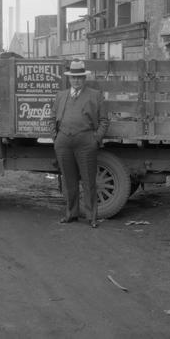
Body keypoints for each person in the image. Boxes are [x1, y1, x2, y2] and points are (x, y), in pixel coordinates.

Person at [49, 59, 109, 228]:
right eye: (73, 78)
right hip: (64, 142)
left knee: (89, 180)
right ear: (69, 79)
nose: (76, 80)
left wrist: (95, 139)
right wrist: (56, 138)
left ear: (84, 78)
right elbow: (52, 118)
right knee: (69, 181)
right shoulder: (61, 95)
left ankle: (91, 217)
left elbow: (104, 120)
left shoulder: (95, 95)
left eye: (80, 77)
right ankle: (71, 214)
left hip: (85, 142)